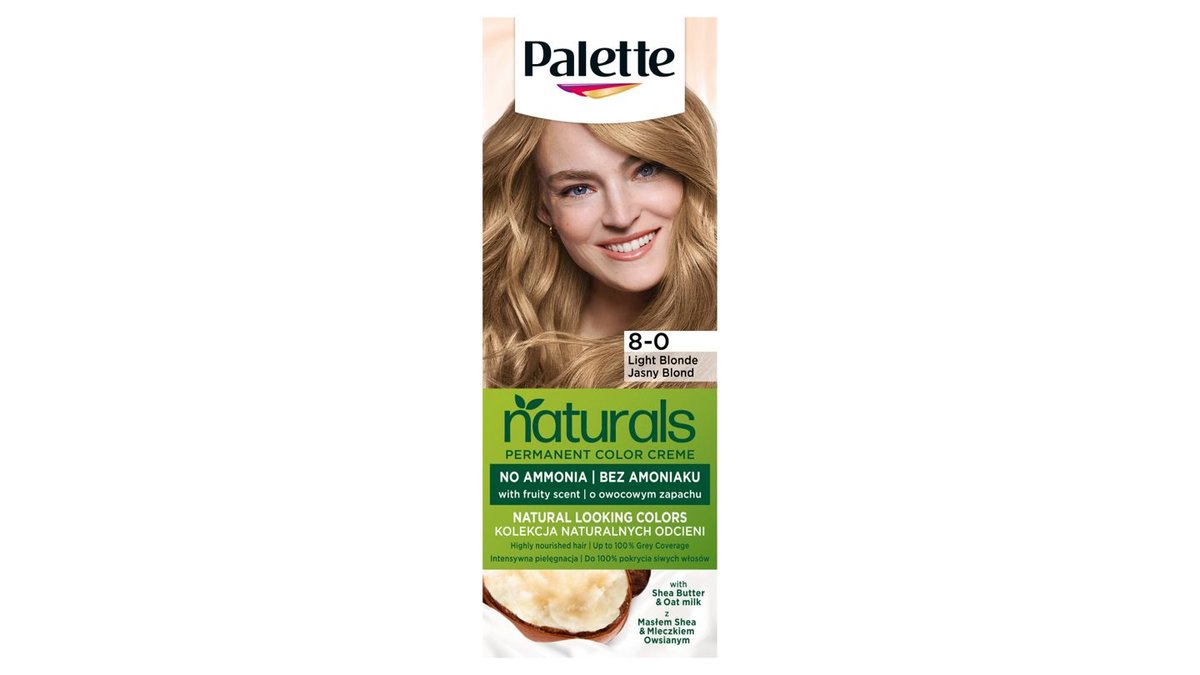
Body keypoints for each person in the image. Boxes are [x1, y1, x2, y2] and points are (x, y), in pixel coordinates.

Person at [483, 89, 717, 388]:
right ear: (544, 210)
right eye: (579, 189)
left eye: (645, 170)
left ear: (688, 174)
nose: (621, 216)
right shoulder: (495, 349)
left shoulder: (710, 345)